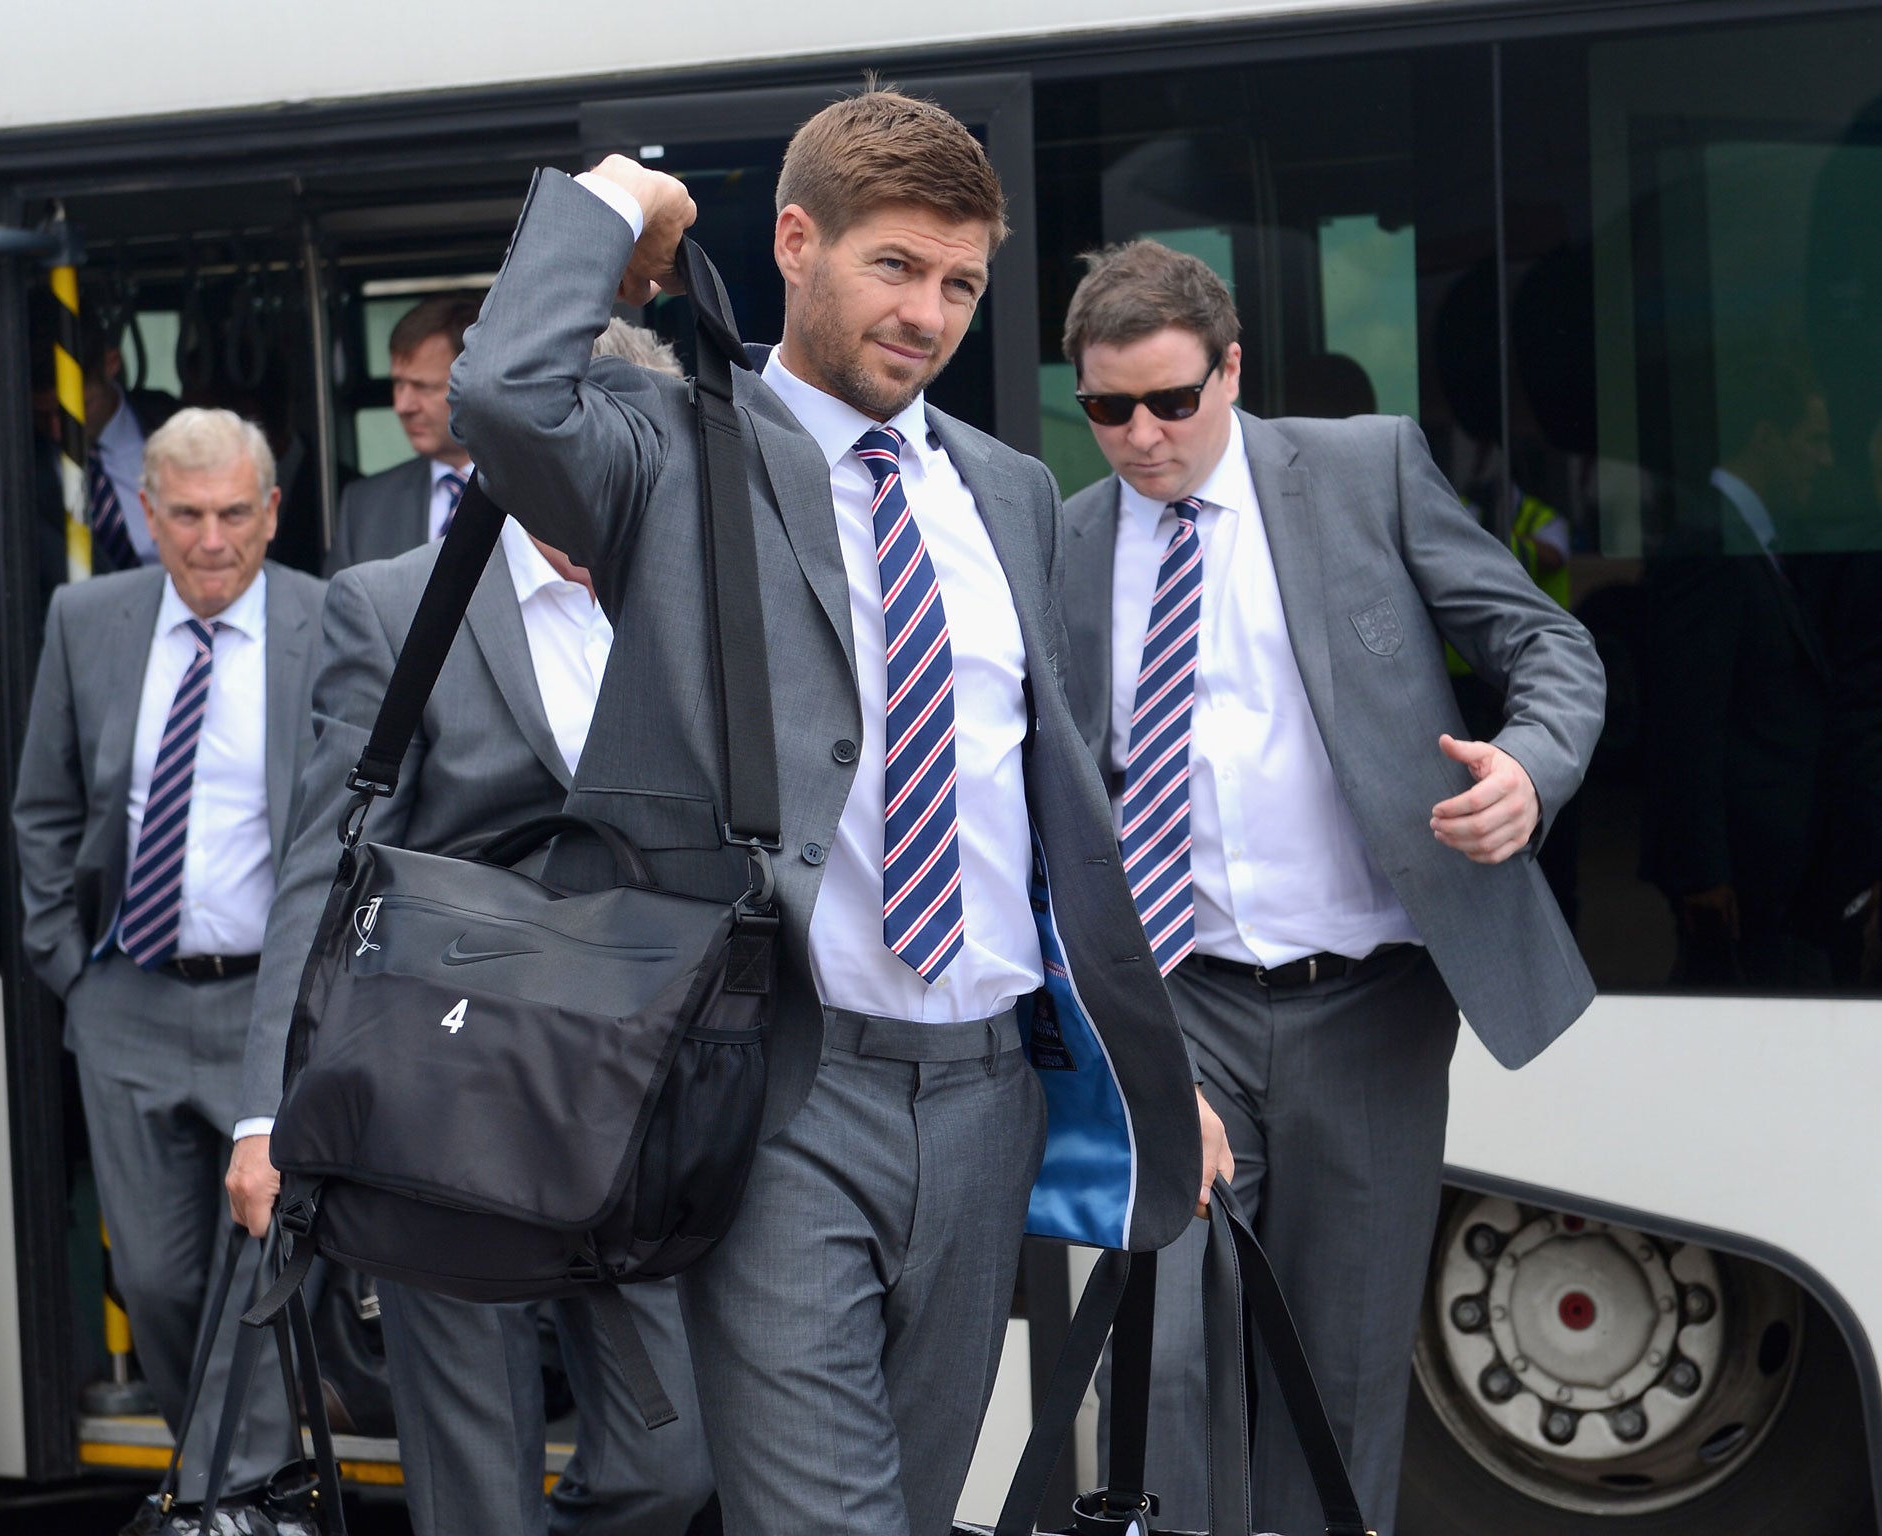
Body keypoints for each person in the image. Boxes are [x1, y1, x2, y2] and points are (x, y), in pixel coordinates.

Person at [444, 89, 1218, 1536]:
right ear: (796, 243)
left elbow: (1044, 815)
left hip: (989, 1097)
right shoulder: (669, 451)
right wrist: (618, 195)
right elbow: (499, 400)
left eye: (961, 283)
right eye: (895, 267)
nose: (930, 312)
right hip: (788, 1091)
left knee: (918, 1515)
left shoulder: (1007, 488)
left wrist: (1145, 1068)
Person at [1056, 239, 1605, 1536]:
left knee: (1343, 1372)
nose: (1141, 437)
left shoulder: (1367, 472)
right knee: (1166, 1364)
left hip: (1369, 1006)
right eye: (1106, 410)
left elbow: (1550, 644)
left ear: (1232, 370)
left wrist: (1527, 770)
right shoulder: (1063, 539)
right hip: (1173, 1007)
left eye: (1171, 402)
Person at [227, 325, 714, 1536]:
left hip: (637, 1095)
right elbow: (319, 867)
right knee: (473, 1486)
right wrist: (264, 1110)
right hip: (440, 1094)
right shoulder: (393, 606)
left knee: (678, 1462)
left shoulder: (713, 605)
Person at [11, 408, 328, 1522]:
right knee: (154, 1275)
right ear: (146, 515)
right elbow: (44, 806)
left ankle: (228, 1498)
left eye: (234, 514)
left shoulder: (327, 624)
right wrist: (68, 967)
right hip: (129, 999)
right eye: (185, 516)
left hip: (269, 1009)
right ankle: (235, 1485)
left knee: (256, 1264)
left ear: (271, 513)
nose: (209, 540)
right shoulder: (86, 619)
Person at [1642, 354, 1835, 989]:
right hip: (1737, 890)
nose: (1826, 462)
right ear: (1765, 439)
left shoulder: (1752, 539)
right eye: (1814, 441)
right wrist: (1705, 875)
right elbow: (1687, 719)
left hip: (1770, 879)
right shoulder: (1709, 544)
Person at [323, 293, 481, 576]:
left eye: (424, 387)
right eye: (398, 384)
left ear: (476, 383)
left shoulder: (539, 490)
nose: (402, 406)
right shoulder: (364, 506)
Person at [31, 297, 182, 591]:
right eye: (41, 414)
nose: (57, 431)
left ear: (112, 363)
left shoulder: (180, 428)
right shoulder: (19, 466)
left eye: (76, 409)